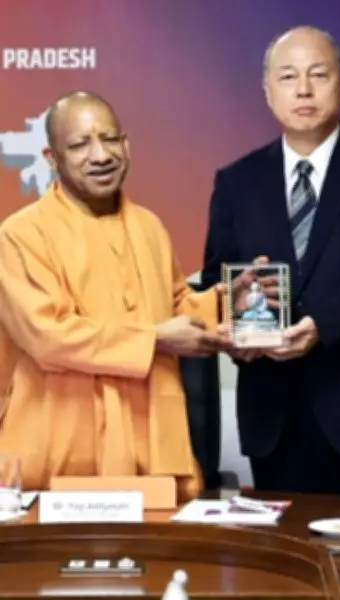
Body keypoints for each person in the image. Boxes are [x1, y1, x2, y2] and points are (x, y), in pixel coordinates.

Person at [0, 91, 230, 499]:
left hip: (151, 448)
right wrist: (154, 339)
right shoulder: (21, 235)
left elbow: (177, 306)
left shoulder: (149, 226)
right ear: (52, 158)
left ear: (127, 145)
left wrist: (230, 305)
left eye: (110, 140)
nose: (101, 155)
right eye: (80, 145)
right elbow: (48, 336)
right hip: (60, 452)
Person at [201, 26, 340, 497]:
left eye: (318, 75)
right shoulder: (236, 181)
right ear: (268, 91)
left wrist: (321, 325)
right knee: (287, 543)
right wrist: (233, 332)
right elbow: (215, 280)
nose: (304, 89)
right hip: (274, 416)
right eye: (288, 77)